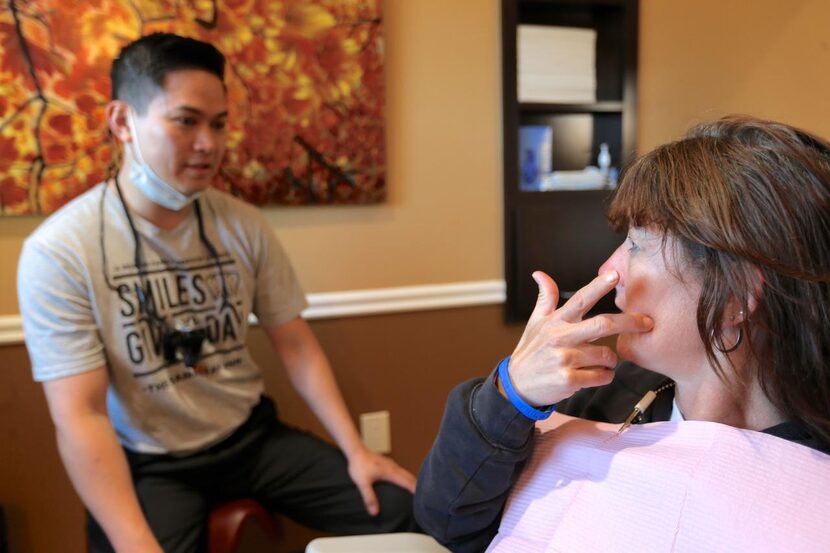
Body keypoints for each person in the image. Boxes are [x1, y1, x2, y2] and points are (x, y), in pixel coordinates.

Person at [17, 33, 416, 553]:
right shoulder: (60, 251)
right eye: (186, 121)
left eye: (219, 124)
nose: (209, 143)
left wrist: (355, 449)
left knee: (407, 510)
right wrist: (134, 540)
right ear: (122, 122)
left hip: (251, 438)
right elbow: (80, 414)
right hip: (152, 461)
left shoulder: (243, 226)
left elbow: (293, 342)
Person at [414, 116, 830, 552]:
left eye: (637, 244)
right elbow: (446, 521)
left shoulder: (809, 484)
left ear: (737, 295)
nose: (609, 270)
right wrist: (511, 398)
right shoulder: (604, 398)